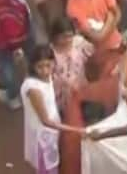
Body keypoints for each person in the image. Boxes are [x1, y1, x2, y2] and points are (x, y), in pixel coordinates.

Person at [19, 43, 82, 173]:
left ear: (54, 62)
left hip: (50, 134)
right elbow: (45, 121)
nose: (45, 71)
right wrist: (74, 129)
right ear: (33, 66)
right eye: (40, 67)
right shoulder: (33, 88)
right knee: (48, 168)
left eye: (48, 65)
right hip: (43, 137)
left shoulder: (47, 78)